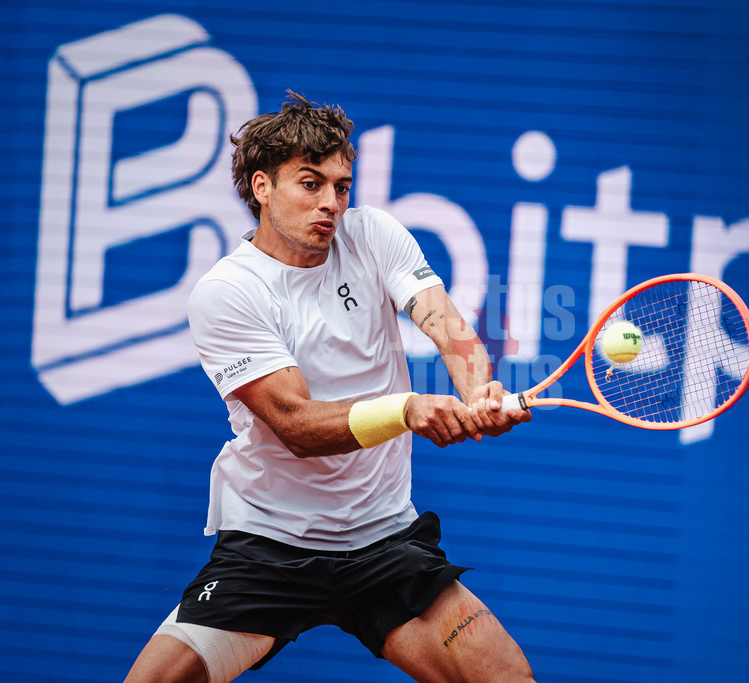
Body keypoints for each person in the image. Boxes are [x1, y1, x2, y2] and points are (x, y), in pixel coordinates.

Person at [126, 91, 534, 683]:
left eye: (341, 187)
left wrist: (481, 392)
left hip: (383, 540)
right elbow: (295, 426)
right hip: (269, 544)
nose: (331, 203)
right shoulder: (227, 292)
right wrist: (408, 408)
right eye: (310, 184)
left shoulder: (373, 236)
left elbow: (451, 330)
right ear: (262, 187)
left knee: (506, 679)